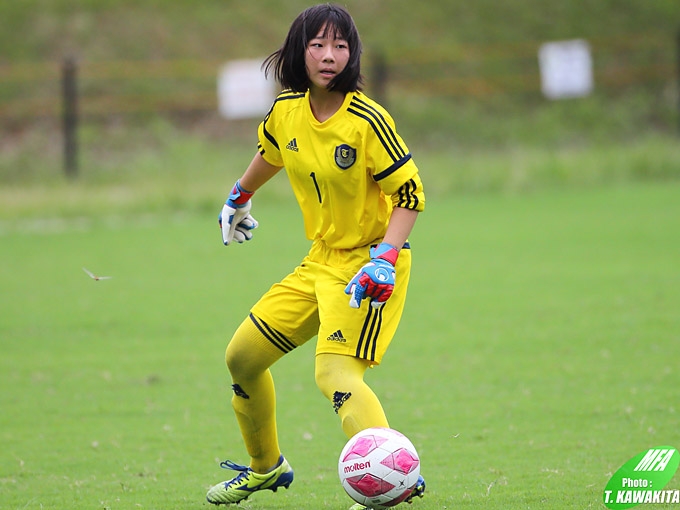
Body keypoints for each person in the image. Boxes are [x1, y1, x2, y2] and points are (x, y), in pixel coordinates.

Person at [206, 4, 426, 509]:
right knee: (241, 358)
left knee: (335, 375)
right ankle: (266, 469)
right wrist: (239, 195)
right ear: (298, 51)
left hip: (369, 267)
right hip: (320, 261)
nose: (330, 56)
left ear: (353, 55)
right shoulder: (287, 109)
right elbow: (272, 150)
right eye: (318, 45)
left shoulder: (367, 119)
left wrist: (384, 259)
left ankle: (396, 483)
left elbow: (411, 196)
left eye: (341, 46)